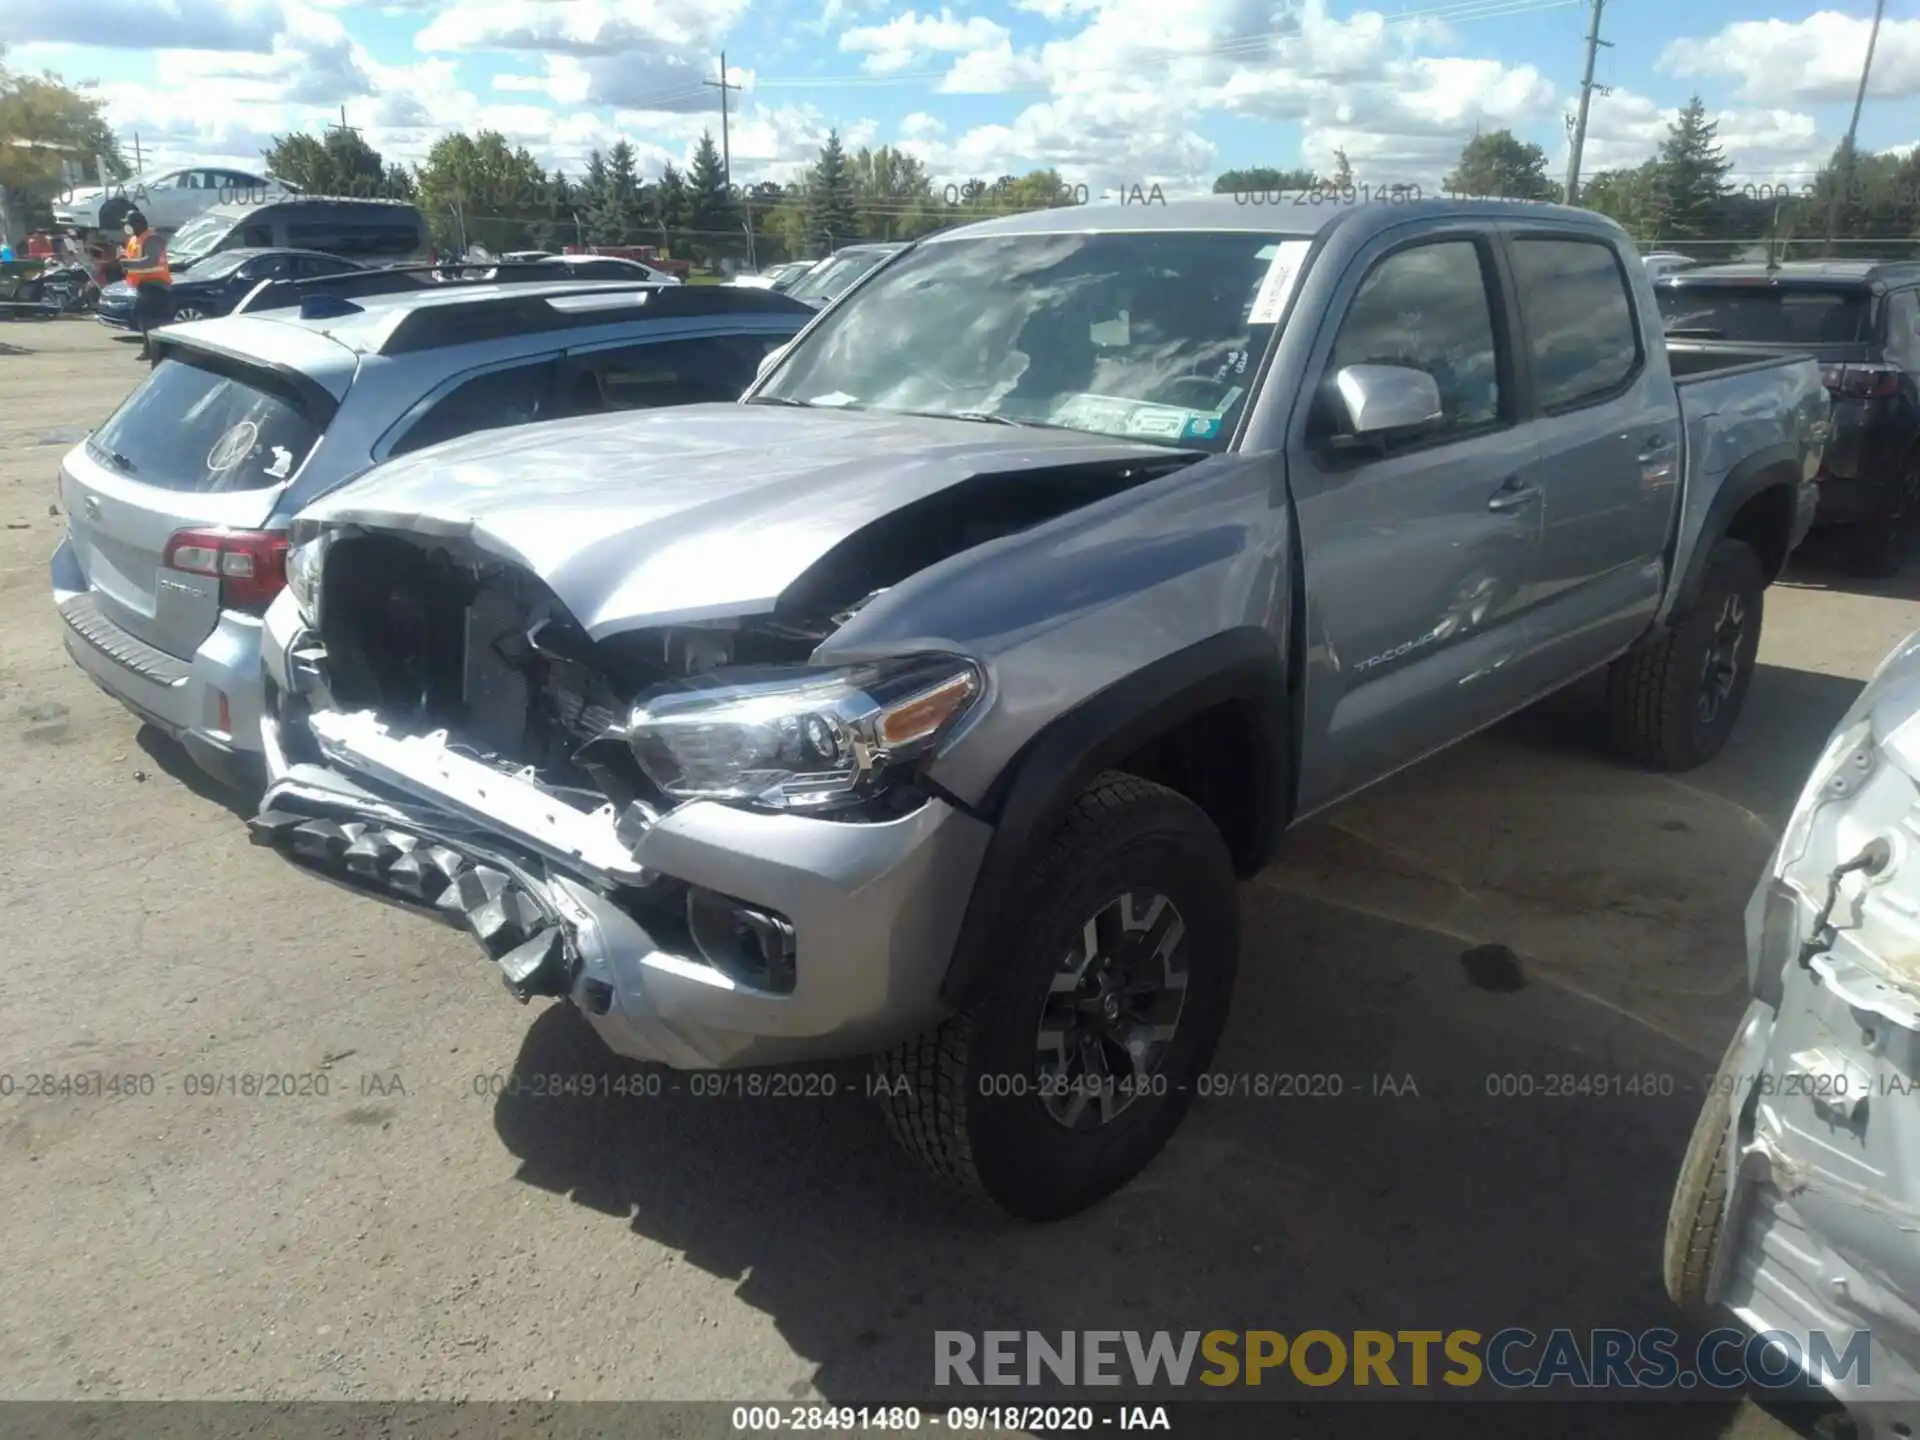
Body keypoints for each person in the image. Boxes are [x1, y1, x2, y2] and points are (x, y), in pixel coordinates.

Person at [119, 209, 172, 360]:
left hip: (156, 286)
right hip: (143, 285)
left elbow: (150, 261)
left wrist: (127, 262)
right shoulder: (134, 239)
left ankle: (156, 352)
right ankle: (150, 351)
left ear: (139, 223)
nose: (126, 227)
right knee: (144, 320)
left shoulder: (152, 239)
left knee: (151, 321)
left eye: (128, 224)